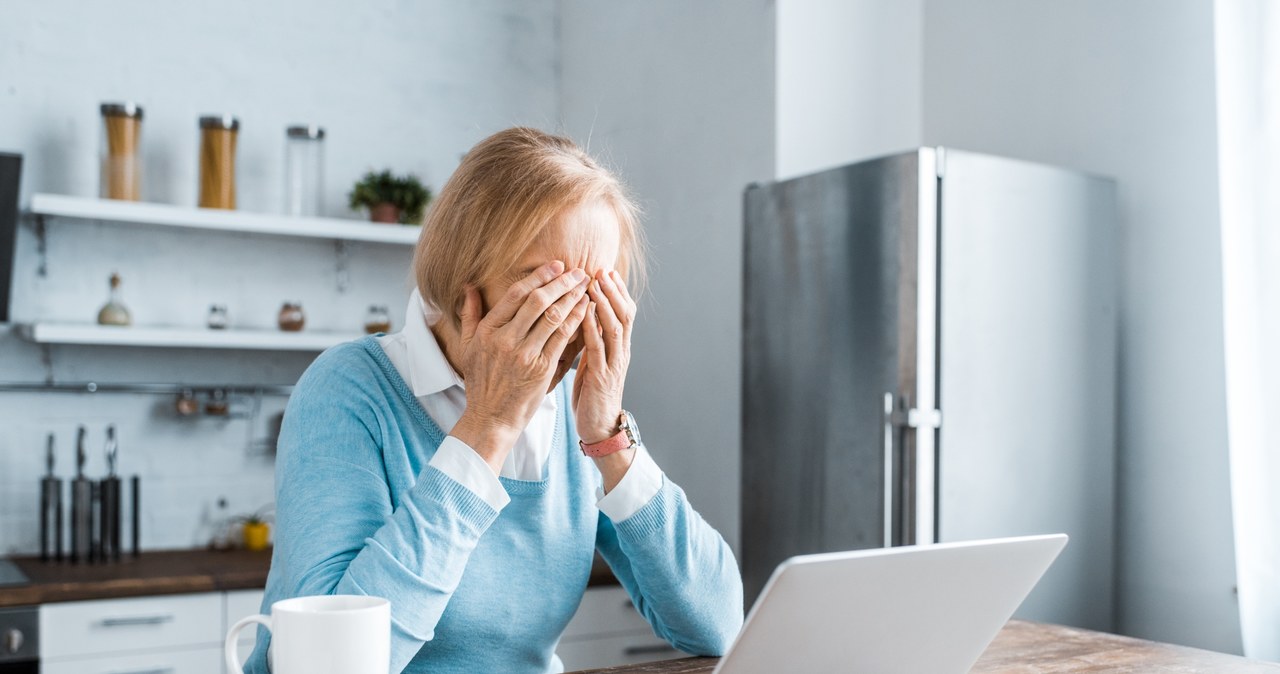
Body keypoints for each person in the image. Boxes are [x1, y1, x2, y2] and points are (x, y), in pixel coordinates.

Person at [245, 127, 743, 674]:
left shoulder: (577, 424)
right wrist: (487, 427)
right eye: (546, 289)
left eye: (593, 293)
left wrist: (609, 440)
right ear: (464, 281)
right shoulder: (346, 389)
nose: (570, 321)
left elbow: (717, 626)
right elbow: (331, 667)